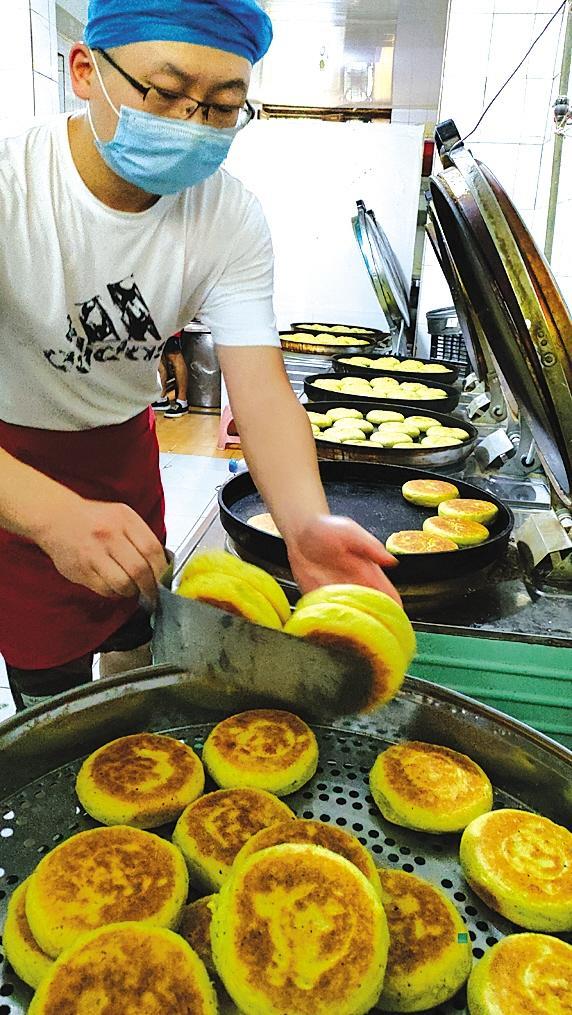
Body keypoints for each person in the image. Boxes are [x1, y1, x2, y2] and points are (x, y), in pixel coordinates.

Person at [0, 0, 400, 710]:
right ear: (85, 71)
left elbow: (262, 391)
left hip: (125, 455)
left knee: (138, 639)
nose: (192, 123)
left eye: (223, 106)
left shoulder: (227, 216)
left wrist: (305, 525)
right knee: (49, 688)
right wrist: (50, 516)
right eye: (165, 92)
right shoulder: (14, 191)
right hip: (15, 465)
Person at [152, 331, 190, 417]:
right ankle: (161, 398)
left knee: (173, 354)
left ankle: (182, 401)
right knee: (158, 355)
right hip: (158, 325)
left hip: (171, 325)